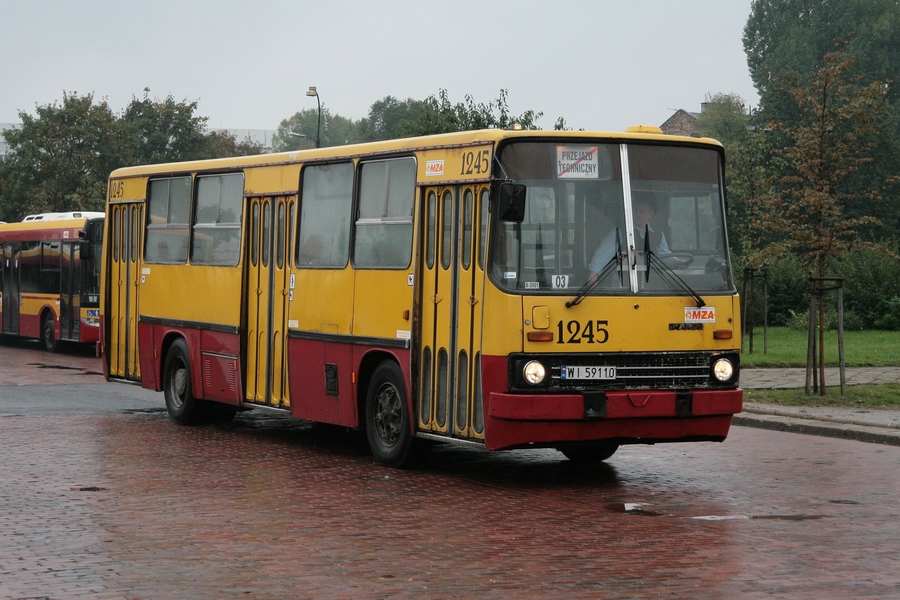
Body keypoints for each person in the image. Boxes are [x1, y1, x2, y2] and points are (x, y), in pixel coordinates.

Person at [588, 199, 679, 279]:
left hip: (652, 282)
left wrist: (677, 261)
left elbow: (664, 254)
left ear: (651, 214)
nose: (637, 214)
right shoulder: (621, 232)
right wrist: (593, 276)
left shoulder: (658, 234)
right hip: (625, 283)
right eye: (635, 211)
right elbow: (603, 255)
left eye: (642, 211)